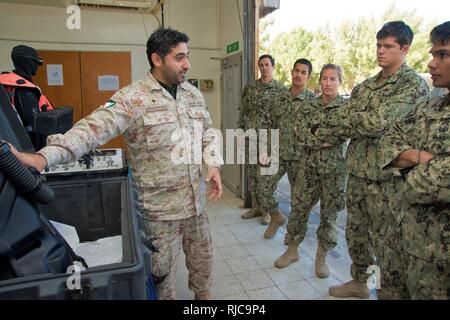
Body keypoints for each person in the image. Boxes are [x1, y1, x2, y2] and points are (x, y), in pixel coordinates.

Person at [9, 27, 223, 300]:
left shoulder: (193, 95)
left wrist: (213, 165)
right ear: (157, 59)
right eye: (179, 57)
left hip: (196, 206)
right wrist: (43, 157)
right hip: (159, 213)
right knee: (161, 278)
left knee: (202, 268)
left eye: (187, 56)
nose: (187, 64)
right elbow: (91, 130)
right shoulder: (133, 98)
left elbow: (209, 134)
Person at [316, 21, 430, 299]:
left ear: (404, 49)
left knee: (386, 244)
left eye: (388, 46)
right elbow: (344, 123)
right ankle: (359, 282)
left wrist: (353, 119)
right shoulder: (366, 87)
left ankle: (384, 290)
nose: (380, 51)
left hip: (387, 180)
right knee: (356, 235)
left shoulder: (412, 85)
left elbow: (379, 122)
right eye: (379, 45)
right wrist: (354, 121)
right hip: (356, 173)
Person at [379, 21, 450, 299]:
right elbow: (388, 139)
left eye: (442, 55)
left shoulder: (413, 87)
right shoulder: (430, 106)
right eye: (433, 54)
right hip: (404, 244)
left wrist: (403, 168)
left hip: (438, 262)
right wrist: (420, 157)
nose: (432, 63)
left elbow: (430, 183)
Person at [273, 64, 348, 279]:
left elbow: (343, 133)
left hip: (334, 172)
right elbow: (299, 133)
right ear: (319, 81)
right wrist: (324, 140)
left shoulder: (346, 108)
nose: (328, 83)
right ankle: (292, 249)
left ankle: (321, 257)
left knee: (329, 215)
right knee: (299, 210)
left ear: (339, 82)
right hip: (308, 169)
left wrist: (318, 137)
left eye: (333, 79)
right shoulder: (308, 106)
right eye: (325, 78)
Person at [257, 58, 315, 241]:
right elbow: (269, 124)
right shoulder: (279, 97)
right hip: (278, 153)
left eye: (303, 72)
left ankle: (292, 242)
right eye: (296, 71)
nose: (298, 75)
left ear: (308, 76)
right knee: (263, 188)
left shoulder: (313, 101)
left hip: (301, 158)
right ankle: (276, 217)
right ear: (292, 72)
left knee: (299, 202)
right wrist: (265, 149)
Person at [238, 54, 288, 225]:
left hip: (270, 140)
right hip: (252, 138)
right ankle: (256, 207)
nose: (264, 68)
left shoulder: (281, 90)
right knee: (253, 174)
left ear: (273, 66)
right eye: (261, 65)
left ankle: (268, 211)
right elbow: (244, 111)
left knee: (267, 175)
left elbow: (284, 118)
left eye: (267, 65)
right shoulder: (250, 88)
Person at [0, 45, 53, 148]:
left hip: (11, 145)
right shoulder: (24, 89)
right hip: (29, 147)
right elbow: (34, 126)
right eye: (35, 62)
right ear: (27, 62)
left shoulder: (8, 85)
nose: (37, 66)